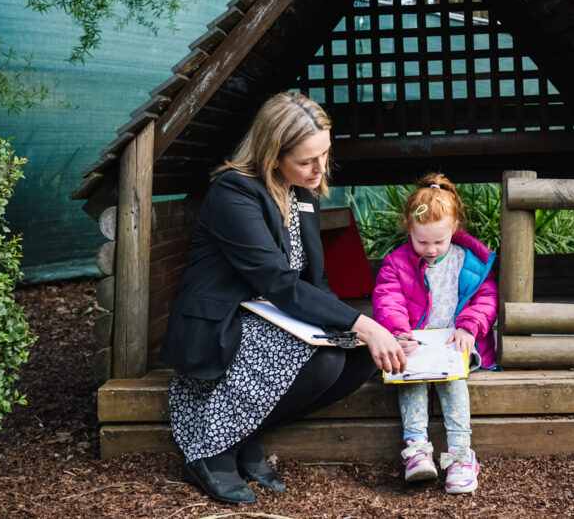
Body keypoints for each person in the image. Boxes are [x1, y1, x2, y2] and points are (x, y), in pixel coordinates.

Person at [159, 91, 406, 505]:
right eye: (307, 160)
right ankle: (211, 452)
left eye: (324, 154)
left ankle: (243, 434)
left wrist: (377, 335)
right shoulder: (234, 193)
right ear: (273, 155)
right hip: (220, 325)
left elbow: (316, 282)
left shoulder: (301, 194)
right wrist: (363, 323)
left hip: (272, 318)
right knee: (325, 360)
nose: (320, 168)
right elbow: (278, 282)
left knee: (362, 357)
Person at [371, 174, 498, 495]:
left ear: (455, 228)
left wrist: (469, 326)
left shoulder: (469, 261)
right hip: (415, 344)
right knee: (410, 380)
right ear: (408, 228)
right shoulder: (395, 264)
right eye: (422, 242)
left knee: (453, 383)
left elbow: (485, 297)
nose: (431, 249)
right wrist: (398, 333)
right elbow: (388, 299)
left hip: (455, 343)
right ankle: (417, 450)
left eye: (439, 241)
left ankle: (460, 455)